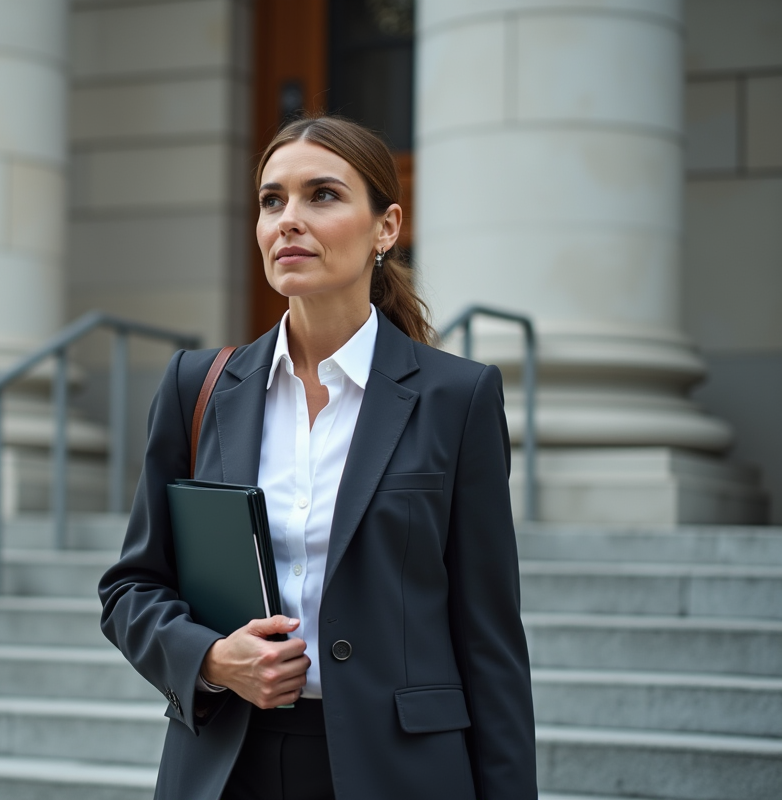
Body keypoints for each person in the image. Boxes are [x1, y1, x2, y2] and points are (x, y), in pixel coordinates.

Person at [98, 115, 537, 800]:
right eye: (273, 200)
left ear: (385, 228)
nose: (288, 220)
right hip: (226, 766)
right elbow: (130, 589)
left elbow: (490, 642)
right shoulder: (197, 388)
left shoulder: (458, 397)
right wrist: (212, 658)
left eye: (322, 196)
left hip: (402, 772)